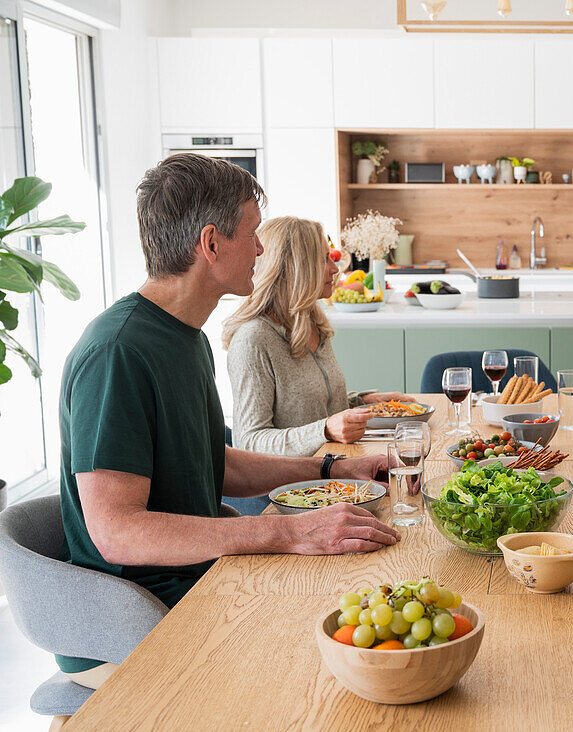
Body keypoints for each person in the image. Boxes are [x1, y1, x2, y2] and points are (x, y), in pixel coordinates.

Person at [57, 154, 399, 688]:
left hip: (203, 578)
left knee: (361, 607)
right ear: (211, 243)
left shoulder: (186, 339)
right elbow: (118, 532)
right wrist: (286, 533)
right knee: (330, 664)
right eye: (252, 233)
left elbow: (212, 464)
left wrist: (329, 471)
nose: (262, 248)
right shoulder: (118, 352)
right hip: (139, 616)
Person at [222, 215, 411, 459]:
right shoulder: (253, 341)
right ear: (295, 268)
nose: (335, 269)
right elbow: (248, 443)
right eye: (324, 260)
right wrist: (324, 431)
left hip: (334, 472)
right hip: (290, 490)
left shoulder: (313, 322)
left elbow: (315, 410)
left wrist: (364, 402)